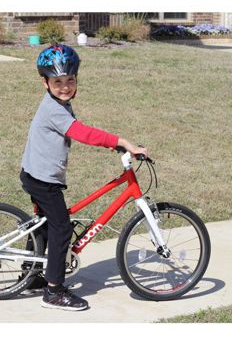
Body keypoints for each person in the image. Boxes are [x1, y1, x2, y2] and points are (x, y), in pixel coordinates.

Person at [20, 44, 148, 310]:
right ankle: (53, 291)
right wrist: (121, 140)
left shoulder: (60, 103)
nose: (65, 86)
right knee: (61, 228)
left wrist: (115, 145)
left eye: (70, 80)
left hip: (37, 173)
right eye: (57, 82)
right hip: (43, 179)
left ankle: (30, 275)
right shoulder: (54, 109)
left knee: (46, 224)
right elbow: (82, 133)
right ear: (45, 82)